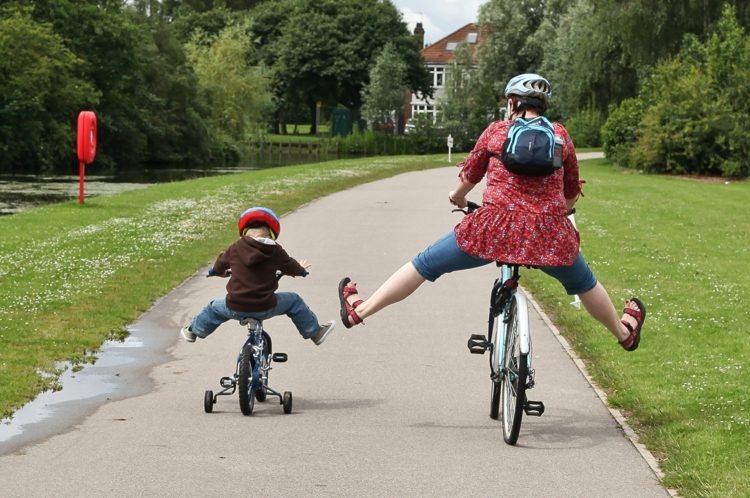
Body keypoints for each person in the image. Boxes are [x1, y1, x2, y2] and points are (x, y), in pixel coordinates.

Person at [337, 73, 646, 351]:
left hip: (492, 230)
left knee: (425, 264)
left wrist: (456, 197)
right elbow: (569, 194)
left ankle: (359, 311)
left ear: (513, 102)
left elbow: (468, 178)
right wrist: (550, 214)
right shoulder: (560, 136)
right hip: (548, 235)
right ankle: (623, 333)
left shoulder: (497, 132)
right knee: (584, 283)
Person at [181, 206, 336, 345]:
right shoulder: (275, 250)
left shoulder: (235, 248)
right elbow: (290, 265)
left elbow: (221, 262)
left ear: (244, 232)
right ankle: (314, 333)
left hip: (235, 306)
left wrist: (216, 272)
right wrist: (301, 271)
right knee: (294, 301)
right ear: (270, 233)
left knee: (214, 308)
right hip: (266, 306)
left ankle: (194, 332)